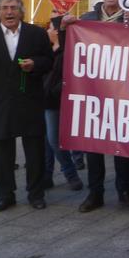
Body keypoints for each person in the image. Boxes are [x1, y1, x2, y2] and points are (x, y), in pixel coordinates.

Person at [0, 0, 53, 212]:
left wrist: (34, 64)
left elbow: (48, 61)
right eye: (5, 8)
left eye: (14, 8)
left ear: (21, 10)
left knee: (35, 150)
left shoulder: (36, 33)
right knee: (2, 152)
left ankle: (36, 194)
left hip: (30, 100)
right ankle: (5, 195)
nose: (9, 12)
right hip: (1, 102)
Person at [76, 0, 129, 213]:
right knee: (93, 144)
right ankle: (95, 193)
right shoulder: (88, 19)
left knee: (121, 143)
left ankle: (124, 191)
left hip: (123, 91)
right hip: (94, 90)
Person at [42, 13, 83, 191]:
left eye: (51, 27)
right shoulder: (44, 48)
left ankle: (70, 173)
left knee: (53, 139)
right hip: (41, 98)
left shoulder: (66, 51)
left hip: (54, 100)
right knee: (45, 140)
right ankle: (46, 175)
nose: (48, 30)